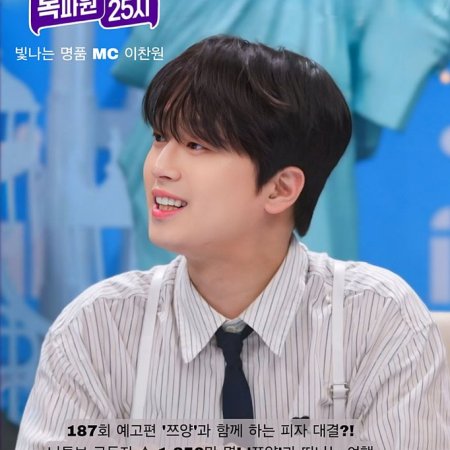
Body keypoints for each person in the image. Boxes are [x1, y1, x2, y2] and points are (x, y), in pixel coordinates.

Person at [16, 36, 450, 449]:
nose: (161, 166)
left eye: (196, 145)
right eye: (160, 137)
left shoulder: (378, 319)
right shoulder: (97, 328)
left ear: (280, 188)